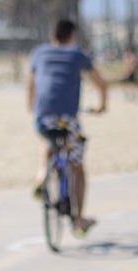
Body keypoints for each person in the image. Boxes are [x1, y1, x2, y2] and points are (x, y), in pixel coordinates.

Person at [27, 19, 107, 235]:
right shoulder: (77, 54)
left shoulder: (39, 52)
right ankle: (79, 221)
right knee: (77, 167)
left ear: (53, 35)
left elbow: (31, 82)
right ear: (71, 36)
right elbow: (101, 82)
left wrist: (31, 106)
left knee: (46, 140)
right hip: (68, 119)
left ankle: (42, 174)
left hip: (43, 116)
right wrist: (102, 105)